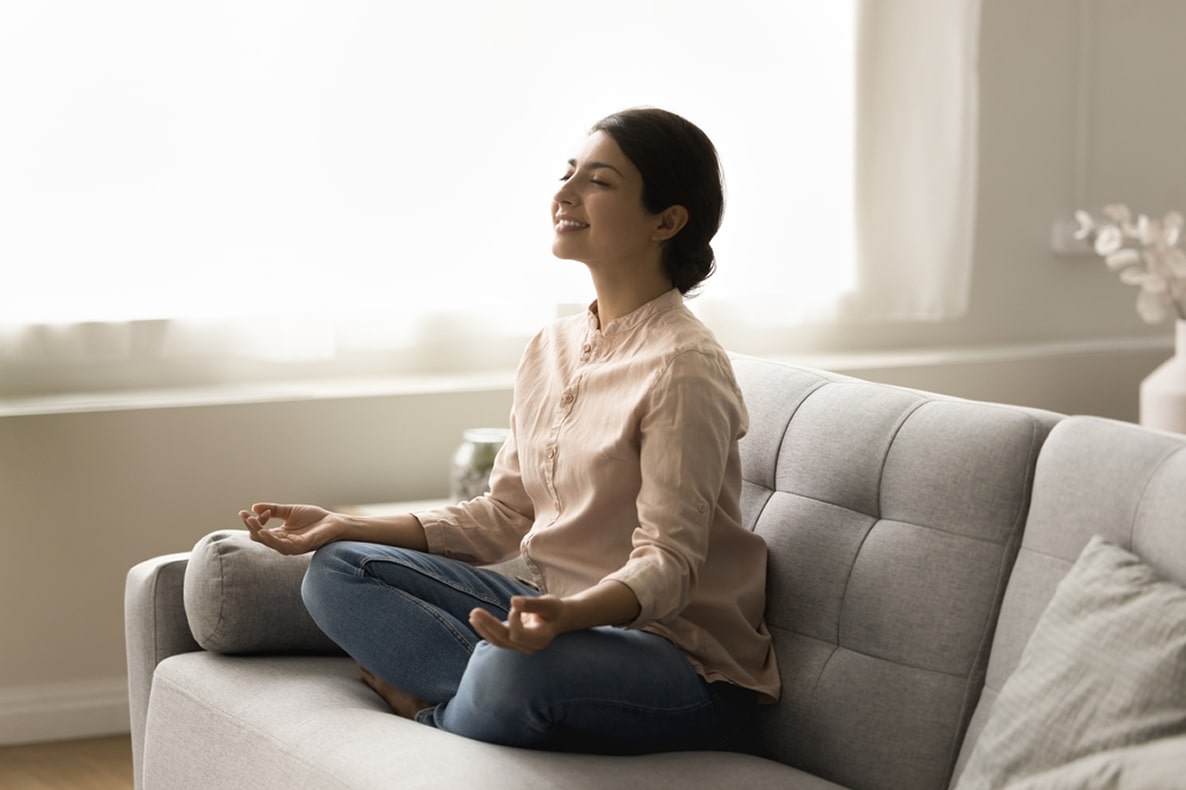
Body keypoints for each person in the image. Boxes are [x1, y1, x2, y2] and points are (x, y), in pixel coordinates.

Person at [239, 107, 780, 754]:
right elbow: (503, 516)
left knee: (515, 670)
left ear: (666, 221)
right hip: (547, 613)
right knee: (337, 569)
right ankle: (483, 699)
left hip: (679, 660)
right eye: (567, 173)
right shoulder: (550, 347)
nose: (565, 193)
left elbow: (670, 566)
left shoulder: (683, 366)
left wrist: (569, 618)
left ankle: (436, 714)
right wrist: (343, 523)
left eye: (598, 181)